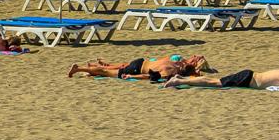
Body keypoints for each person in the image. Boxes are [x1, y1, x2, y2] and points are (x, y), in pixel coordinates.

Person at [165, 65, 279, 90]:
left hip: (249, 75)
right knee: (214, 82)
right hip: (247, 79)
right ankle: (178, 80)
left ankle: (182, 78)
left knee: (214, 81)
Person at [69, 54, 204, 81]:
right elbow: (148, 76)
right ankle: (78, 69)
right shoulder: (170, 72)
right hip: (136, 70)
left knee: (106, 71)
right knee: (105, 72)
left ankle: (89, 69)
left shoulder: (176, 62)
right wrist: (132, 77)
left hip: (140, 61)